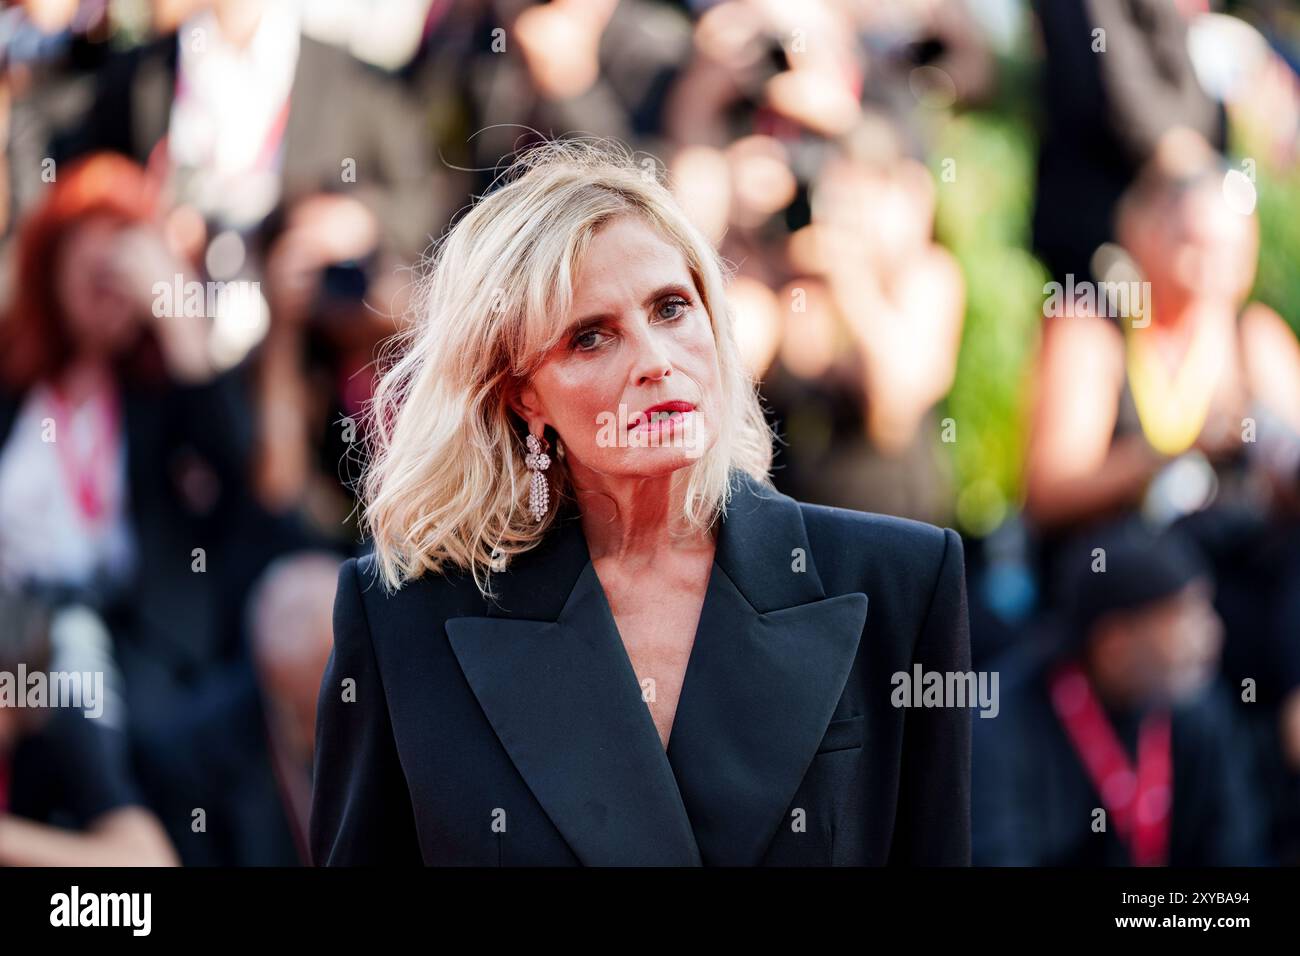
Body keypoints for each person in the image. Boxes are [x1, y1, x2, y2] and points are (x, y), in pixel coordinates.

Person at [310, 139, 971, 867]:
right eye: (590, 337)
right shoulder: (406, 619)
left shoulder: (899, 581)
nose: (656, 361)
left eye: (671, 308)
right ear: (522, 394)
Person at [972, 521, 1265, 866]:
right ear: (1115, 648)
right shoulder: (1000, 724)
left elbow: (1235, 849)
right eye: (1187, 618)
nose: (1212, 635)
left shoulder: (1194, 706)